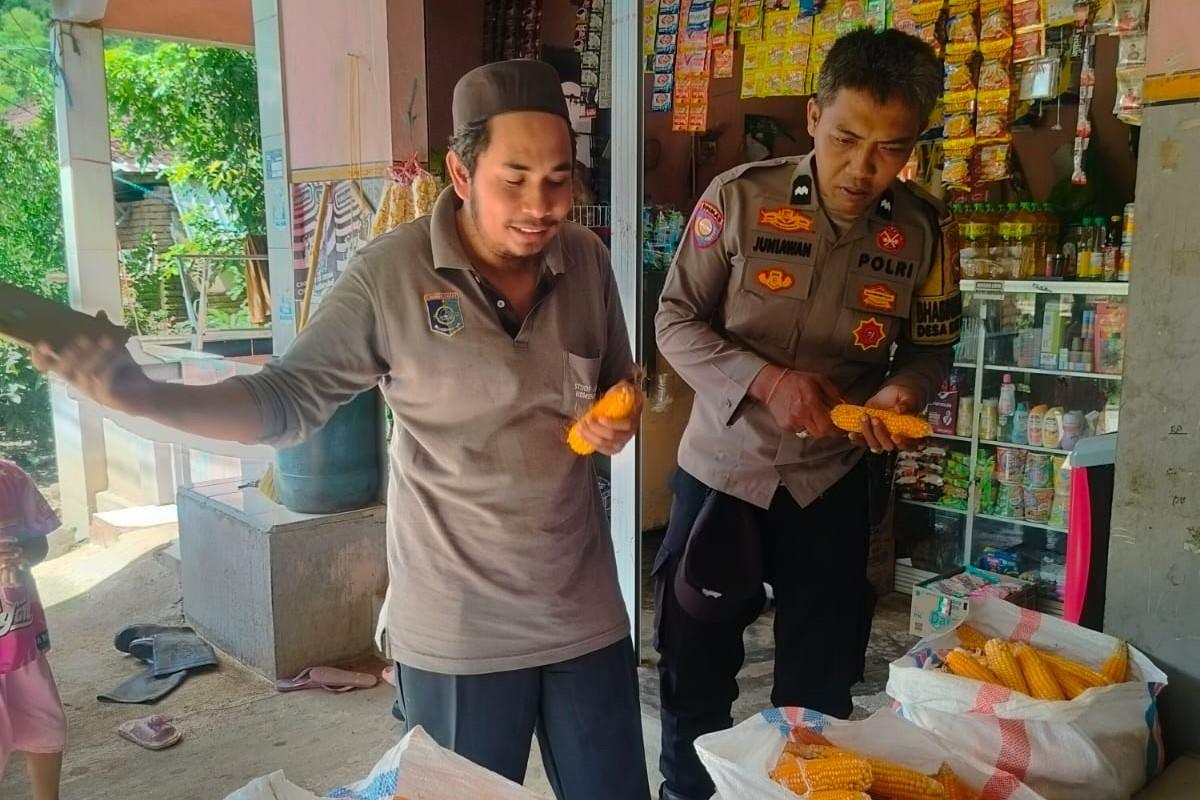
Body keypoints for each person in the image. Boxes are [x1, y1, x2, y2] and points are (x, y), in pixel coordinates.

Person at [35, 60, 649, 800]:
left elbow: (621, 380)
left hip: (583, 609)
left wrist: (620, 413)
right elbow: (284, 399)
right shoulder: (389, 275)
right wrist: (141, 395)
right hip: (457, 628)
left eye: (557, 180)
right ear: (460, 172)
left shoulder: (585, 259)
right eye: (513, 179)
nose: (539, 205)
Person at [653, 29, 959, 800]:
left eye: (890, 149)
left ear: (915, 143)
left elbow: (932, 349)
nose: (862, 168)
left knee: (819, 696)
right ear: (815, 115)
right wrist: (766, 380)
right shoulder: (739, 198)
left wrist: (905, 392)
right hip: (724, 474)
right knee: (694, 677)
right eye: (846, 138)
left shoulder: (923, 231)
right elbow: (674, 322)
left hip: (832, 482)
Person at [0, 459, 66, 800]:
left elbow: (40, 545)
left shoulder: (11, 477)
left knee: (44, 725)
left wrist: (23, 553)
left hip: (20, 638)